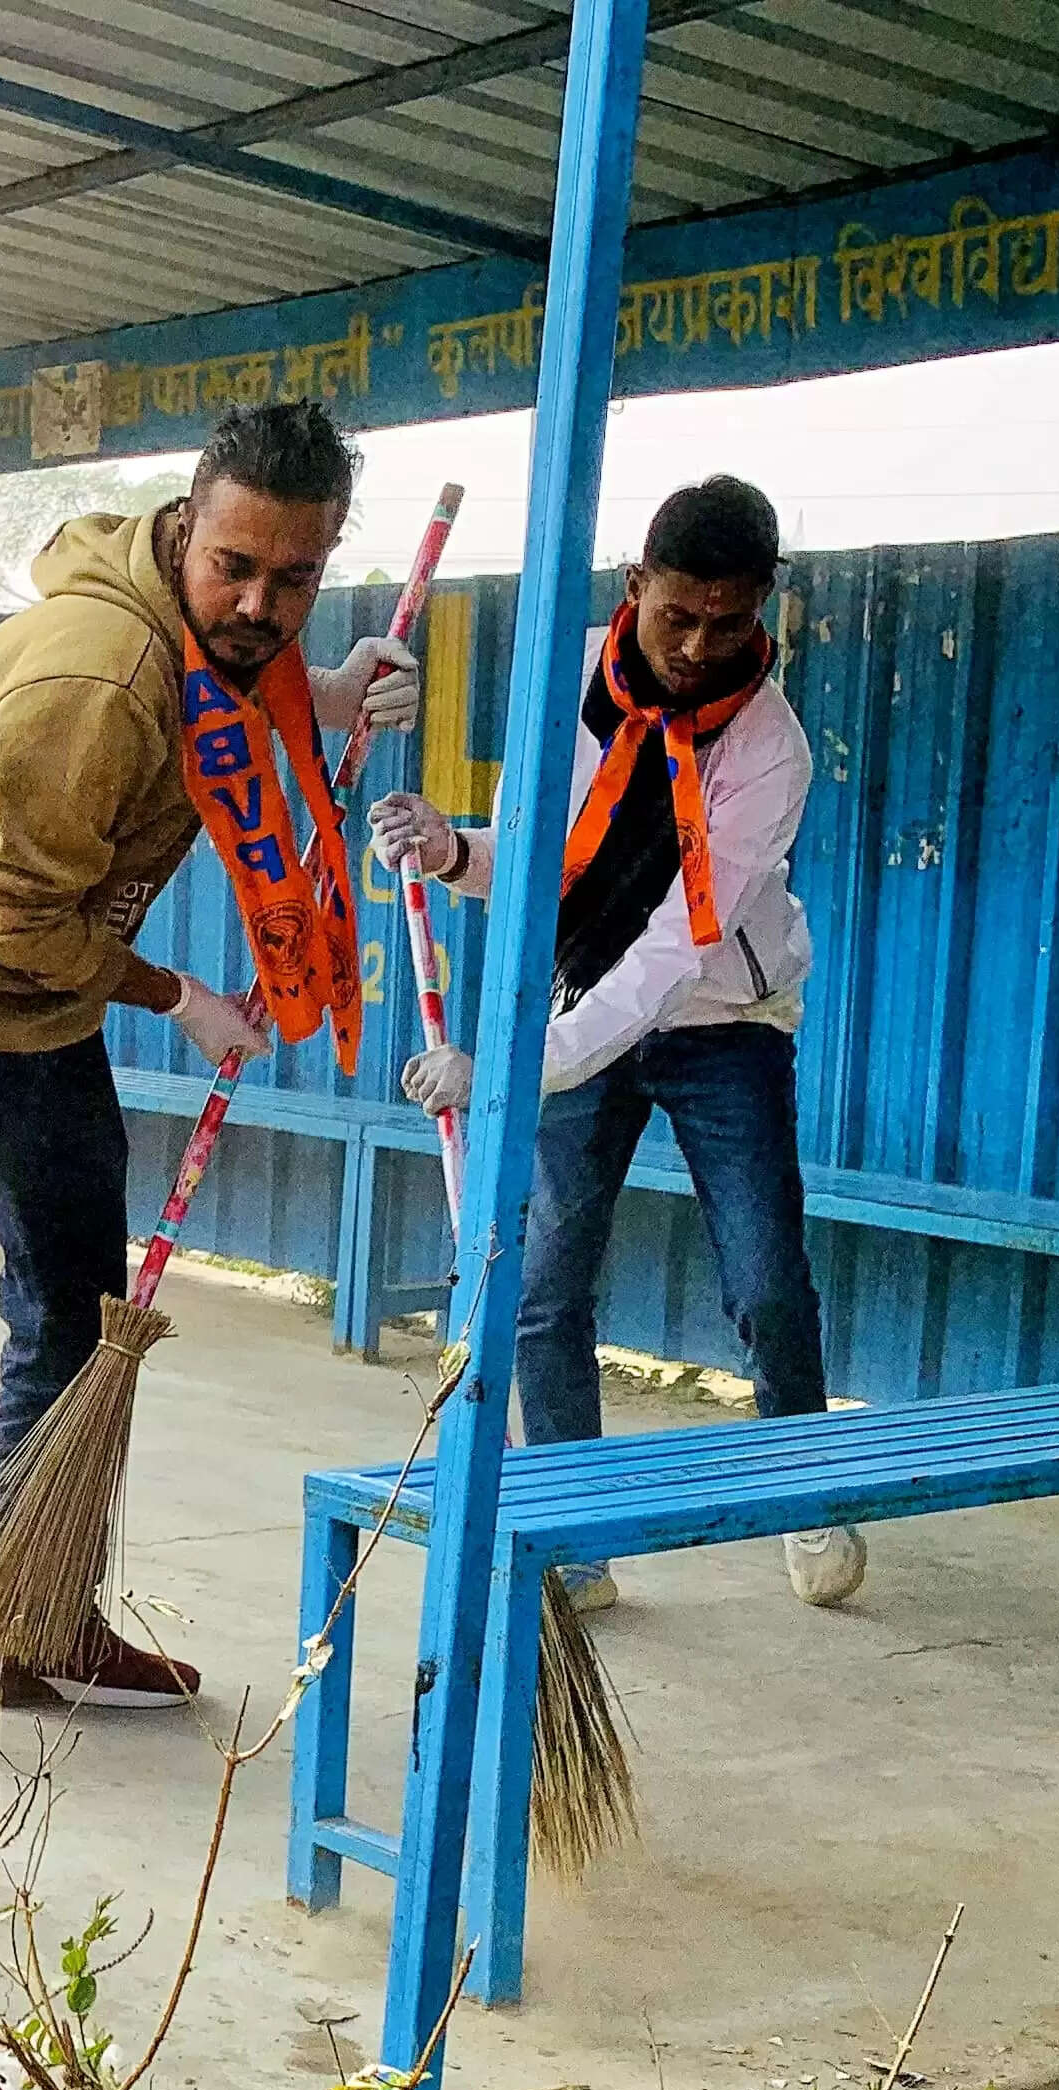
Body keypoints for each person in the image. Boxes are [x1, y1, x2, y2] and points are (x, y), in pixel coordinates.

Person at [0, 400, 417, 1774]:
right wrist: (178, 996)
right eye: (238, 569)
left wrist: (324, 692)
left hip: (44, 1019)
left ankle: (30, 1623)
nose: (262, 603)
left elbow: (234, 689)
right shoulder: (100, 675)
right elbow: (9, 922)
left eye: (297, 580)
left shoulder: (195, 637)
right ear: (185, 527)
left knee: (80, 1330)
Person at [369, 472, 860, 1611]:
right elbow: (556, 860)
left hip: (719, 1023)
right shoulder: (570, 675)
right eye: (675, 614)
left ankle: (805, 1487)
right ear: (637, 587)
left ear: (764, 608)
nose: (694, 646)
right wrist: (454, 852)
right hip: (580, 1005)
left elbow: (667, 956)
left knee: (768, 1281)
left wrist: (504, 1074)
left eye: (727, 623)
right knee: (543, 1285)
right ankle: (577, 1539)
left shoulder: (769, 753)